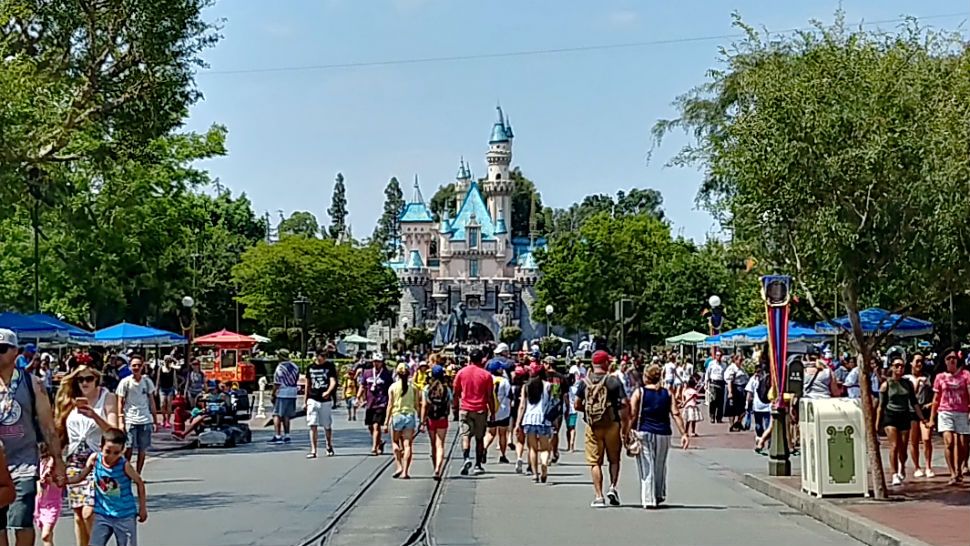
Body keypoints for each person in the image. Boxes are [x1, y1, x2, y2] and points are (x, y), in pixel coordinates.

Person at [0, 328, 66, 546]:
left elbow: (47, 425)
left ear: (16, 351)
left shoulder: (32, 383)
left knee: (21, 521)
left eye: (2, 349)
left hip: (24, 462)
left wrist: (57, 460)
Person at [54, 365, 119, 546]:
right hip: (74, 463)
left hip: (99, 462)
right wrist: (53, 460)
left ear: (96, 379)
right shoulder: (69, 401)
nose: (84, 383)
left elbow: (115, 432)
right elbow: (59, 434)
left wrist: (94, 416)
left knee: (89, 513)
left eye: (88, 378)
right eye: (80, 379)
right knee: (78, 515)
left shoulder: (107, 397)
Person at [67, 428, 147, 546]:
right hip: (102, 514)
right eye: (107, 451)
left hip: (124, 515)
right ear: (101, 447)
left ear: (122, 450)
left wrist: (142, 508)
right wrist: (65, 481)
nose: (111, 456)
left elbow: (139, 483)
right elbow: (81, 476)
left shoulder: (124, 465)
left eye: (116, 453)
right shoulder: (95, 459)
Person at [629, 364, 690, 508]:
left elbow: (632, 414)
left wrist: (626, 431)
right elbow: (675, 413)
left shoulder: (640, 392)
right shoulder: (667, 393)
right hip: (663, 433)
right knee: (660, 465)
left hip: (644, 431)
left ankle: (649, 499)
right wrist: (684, 433)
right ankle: (658, 494)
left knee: (647, 465)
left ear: (645, 377)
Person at [574, 350, 629, 508]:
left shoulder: (585, 382)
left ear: (593, 363)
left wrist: (590, 411)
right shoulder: (614, 381)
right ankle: (612, 487)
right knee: (614, 459)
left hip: (593, 425)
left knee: (595, 462)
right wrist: (625, 426)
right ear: (606, 363)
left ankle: (599, 496)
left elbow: (576, 404)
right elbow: (624, 403)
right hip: (612, 424)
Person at [878, 357, 928, 486]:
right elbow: (880, 406)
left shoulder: (907, 384)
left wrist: (922, 418)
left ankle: (902, 467)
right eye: (897, 365)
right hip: (891, 417)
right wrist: (876, 425)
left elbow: (914, 402)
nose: (899, 368)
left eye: (902, 366)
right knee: (894, 446)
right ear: (892, 367)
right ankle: (894, 473)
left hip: (904, 416)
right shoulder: (886, 385)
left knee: (903, 448)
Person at [929, 348, 970, 485]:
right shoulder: (940, 377)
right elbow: (936, 399)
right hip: (945, 412)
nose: (952, 360)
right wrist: (931, 419)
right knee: (949, 442)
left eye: (954, 358)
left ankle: (959, 469)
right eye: (948, 358)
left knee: (963, 444)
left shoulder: (965, 375)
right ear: (944, 361)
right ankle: (952, 472)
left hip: (962, 412)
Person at [452, 349, 496, 476]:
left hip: (465, 408)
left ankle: (466, 458)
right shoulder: (486, 375)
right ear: (482, 359)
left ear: (469, 358)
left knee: (465, 436)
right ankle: (477, 464)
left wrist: (455, 407)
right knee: (479, 438)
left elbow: (456, 392)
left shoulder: (461, 373)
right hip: (481, 409)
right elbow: (489, 396)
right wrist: (492, 412)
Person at [116, 357, 157, 474]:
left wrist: (154, 420)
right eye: (134, 365)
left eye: (139, 365)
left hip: (145, 419)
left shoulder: (147, 382)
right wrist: (120, 419)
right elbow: (120, 401)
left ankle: (138, 474)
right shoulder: (125, 382)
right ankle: (125, 472)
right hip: (130, 419)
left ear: (142, 366)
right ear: (130, 367)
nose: (136, 368)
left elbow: (151, 400)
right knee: (128, 448)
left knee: (142, 449)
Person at [516, 364, 552, 483]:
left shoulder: (526, 386)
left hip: (529, 419)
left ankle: (535, 474)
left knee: (532, 448)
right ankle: (544, 465)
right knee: (545, 448)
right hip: (544, 419)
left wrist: (518, 423)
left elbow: (522, 406)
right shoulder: (548, 386)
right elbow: (553, 403)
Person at [385, 364, 420, 479]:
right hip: (409, 416)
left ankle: (399, 465)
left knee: (395, 442)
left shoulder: (393, 387)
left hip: (397, 416)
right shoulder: (414, 388)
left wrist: (386, 422)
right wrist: (420, 419)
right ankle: (405, 471)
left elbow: (390, 405)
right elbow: (417, 405)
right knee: (407, 445)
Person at [906, 354, 936, 478]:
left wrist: (931, 404)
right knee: (913, 441)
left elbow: (933, 394)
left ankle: (928, 466)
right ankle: (917, 466)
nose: (919, 364)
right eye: (917, 361)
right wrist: (917, 382)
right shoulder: (906, 378)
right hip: (912, 411)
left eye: (921, 361)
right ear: (911, 363)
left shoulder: (928, 377)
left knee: (926, 438)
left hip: (925, 411)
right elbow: (911, 395)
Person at [358, 353, 393, 455]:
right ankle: (380, 442)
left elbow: (391, 388)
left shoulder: (386, 374)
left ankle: (374, 447)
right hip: (370, 403)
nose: (376, 364)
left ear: (382, 363)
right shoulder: (367, 373)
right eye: (374, 362)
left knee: (376, 425)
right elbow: (363, 385)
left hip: (381, 403)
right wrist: (358, 397)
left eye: (378, 362)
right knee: (370, 426)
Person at [421, 366, 452, 481]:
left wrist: (422, 421)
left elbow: (424, 405)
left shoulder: (427, 389)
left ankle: (435, 467)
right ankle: (438, 468)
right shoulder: (446, 389)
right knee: (440, 445)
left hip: (431, 420)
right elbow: (450, 403)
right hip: (442, 419)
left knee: (433, 444)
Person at [305, 352, 338, 458]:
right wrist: (305, 399)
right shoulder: (310, 367)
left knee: (326, 424)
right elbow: (308, 383)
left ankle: (329, 445)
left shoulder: (329, 367)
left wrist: (328, 392)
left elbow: (333, 381)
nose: (320, 359)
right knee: (312, 424)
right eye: (318, 357)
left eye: (322, 358)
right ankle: (313, 450)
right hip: (312, 398)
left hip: (325, 400)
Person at [483, 362, 512, 464]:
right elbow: (509, 395)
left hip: (490, 410)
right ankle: (503, 455)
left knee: (491, 432)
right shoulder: (505, 381)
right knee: (502, 434)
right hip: (503, 411)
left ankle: (484, 448)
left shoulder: (487, 379)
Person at [269, 349, 299, 445]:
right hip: (292, 392)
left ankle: (278, 435)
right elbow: (297, 378)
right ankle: (287, 435)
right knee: (287, 415)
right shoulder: (295, 366)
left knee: (277, 414)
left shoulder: (280, 368)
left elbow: (277, 383)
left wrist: (273, 393)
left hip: (282, 392)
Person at [33, 443, 61, 546]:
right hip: (39, 504)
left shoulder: (55, 461)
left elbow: (59, 481)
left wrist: (49, 478)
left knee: (45, 535)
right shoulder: (39, 463)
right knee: (47, 536)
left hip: (52, 504)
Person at [745, 363, 772, 450]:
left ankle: (759, 438)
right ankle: (769, 441)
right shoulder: (769, 379)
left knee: (758, 424)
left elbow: (749, 392)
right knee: (768, 425)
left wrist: (747, 403)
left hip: (757, 405)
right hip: (768, 405)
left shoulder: (753, 379)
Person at [154, 357, 178, 430]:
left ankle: (168, 420)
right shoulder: (160, 369)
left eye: (169, 361)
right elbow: (158, 379)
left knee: (169, 405)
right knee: (162, 404)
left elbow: (174, 380)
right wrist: (156, 389)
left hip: (170, 388)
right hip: (162, 388)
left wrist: (176, 389)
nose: (168, 362)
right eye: (167, 361)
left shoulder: (173, 370)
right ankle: (164, 418)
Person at [704, 356, 725, 423]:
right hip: (713, 383)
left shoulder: (724, 365)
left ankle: (719, 418)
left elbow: (725, 374)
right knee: (713, 400)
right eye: (717, 355)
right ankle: (712, 417)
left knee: (720, 402)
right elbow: (708, 373)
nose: (718, 357)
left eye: (720, 355)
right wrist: (706, 383)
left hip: (721, 383)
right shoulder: (711, 363)